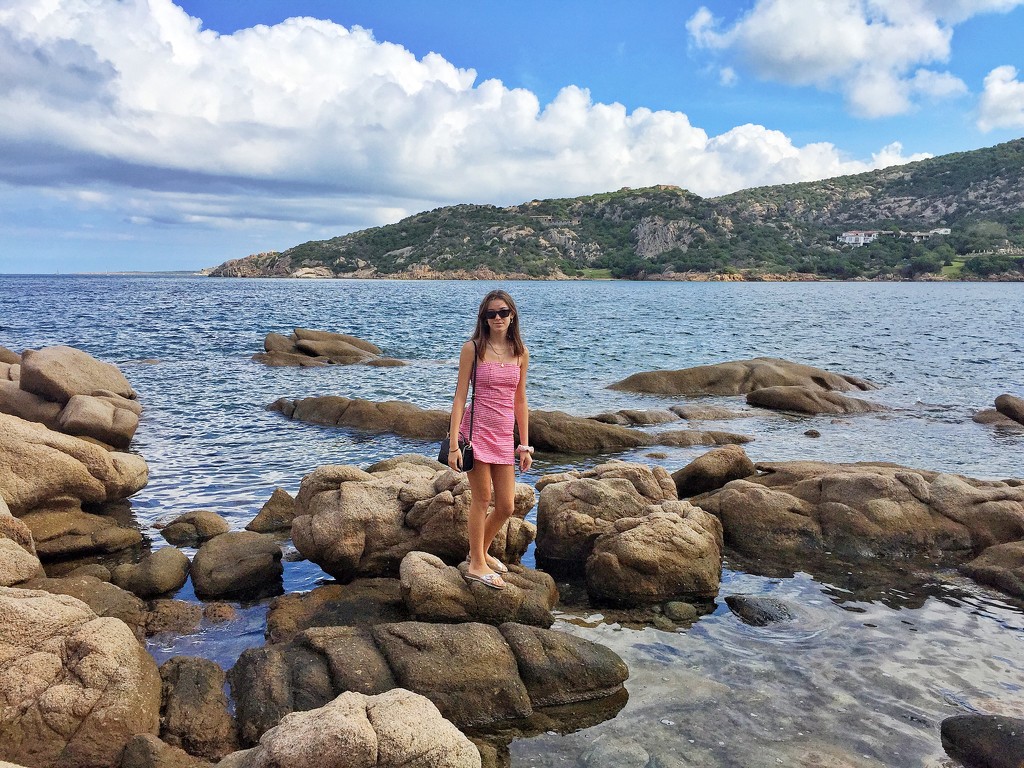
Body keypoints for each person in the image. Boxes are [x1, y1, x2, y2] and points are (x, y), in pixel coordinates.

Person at [447, 289, 533, 590]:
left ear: (512, 316)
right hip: (476, 431)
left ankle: (478, 551)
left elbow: (520, 401)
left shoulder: (521, 352)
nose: (497, 318)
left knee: (507, 505)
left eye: (503, 312)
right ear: (483, 318)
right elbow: (459, 397)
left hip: (502, 435)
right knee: (482, 499)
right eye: (491, 314)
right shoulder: (472, 348)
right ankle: (476, 564)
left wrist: (524, 445)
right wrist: (454, 444)